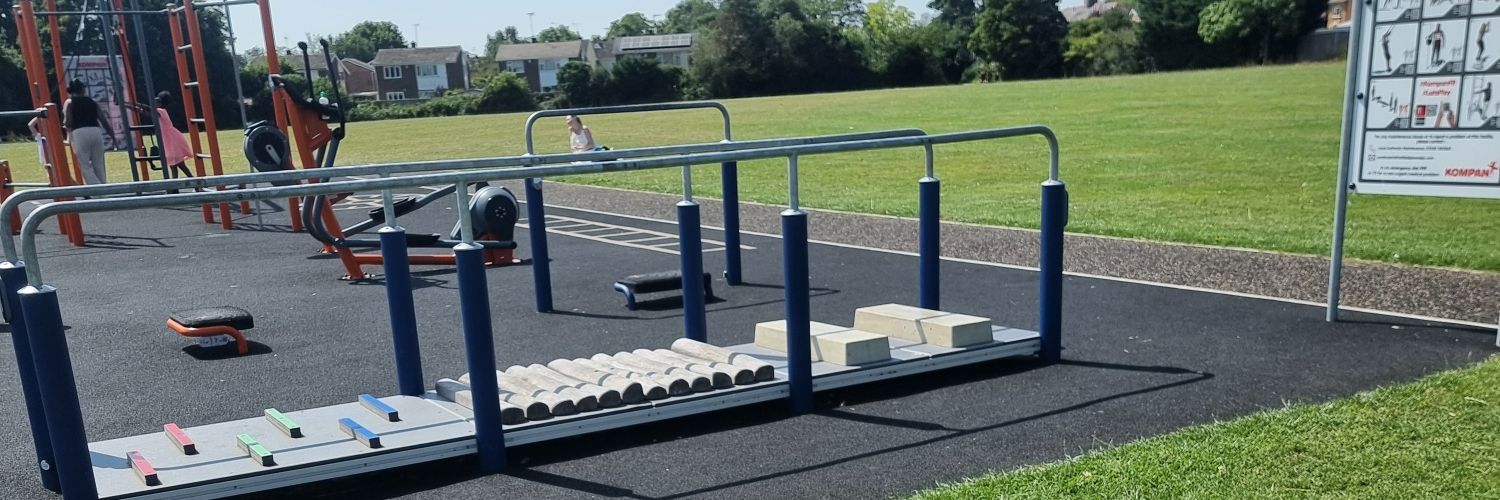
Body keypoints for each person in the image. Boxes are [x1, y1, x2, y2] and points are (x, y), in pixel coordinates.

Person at [128, 91, 193, 179]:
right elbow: (141, 111)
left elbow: (146, 108)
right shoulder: (159, 113)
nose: (153, 104)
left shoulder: (160, 111)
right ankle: (185, 186)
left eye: (156, 102)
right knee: (177, 165)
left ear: (160, 104)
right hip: (170, 139)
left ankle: (179, 187)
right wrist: (127, 105)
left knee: (175, 164)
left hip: (171, 140)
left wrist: (131, 103)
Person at [63, 79, 113, 185]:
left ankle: (96, 189)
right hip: (95, 131)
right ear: (83, 89)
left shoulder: (69, 102)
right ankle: (104, 187)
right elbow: (103, 120)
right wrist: (112, 136)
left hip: (79, 132)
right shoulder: (92, 102)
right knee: (99, 164)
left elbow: (68, 122)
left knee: (84, 165)